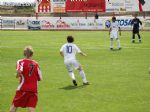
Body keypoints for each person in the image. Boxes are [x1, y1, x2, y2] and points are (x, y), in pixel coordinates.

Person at [10, 46, 42, 112]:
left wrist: (17, 75)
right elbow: (40, 78)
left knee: (14, 107)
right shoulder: (36, 64)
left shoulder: (21, 62)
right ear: (32, 54)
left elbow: (19, 71)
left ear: (24, 54)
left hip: (23, 89)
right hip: (33, 89)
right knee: (31, 109)